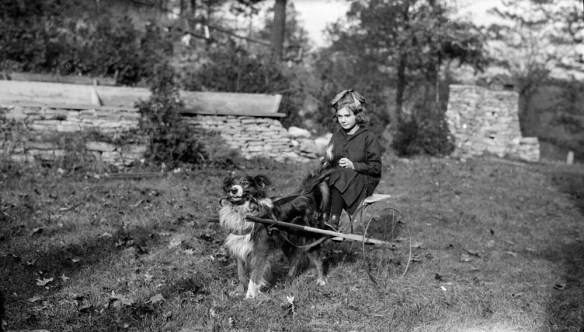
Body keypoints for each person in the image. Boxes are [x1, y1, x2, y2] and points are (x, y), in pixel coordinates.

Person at [321, 89, 383, 232]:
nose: (343, 120)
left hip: (364, 180)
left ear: (357, 115)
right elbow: (328, 158)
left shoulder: (368, 137)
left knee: (340, 174)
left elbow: (375, 167)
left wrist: (353, 165)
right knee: (322, 177)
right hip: (341, 178)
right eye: (340, 116)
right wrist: (326, 161)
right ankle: (322, 217)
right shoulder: (337, 136)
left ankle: (334, 221)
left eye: (347, 116)